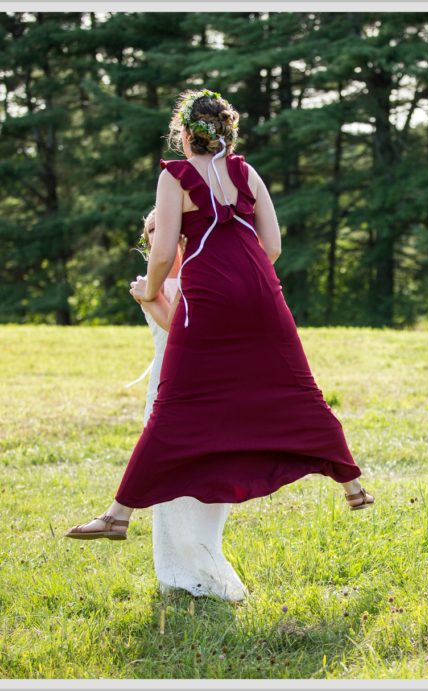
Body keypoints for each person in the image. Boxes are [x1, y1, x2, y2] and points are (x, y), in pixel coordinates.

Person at [65, 88, 373, 543]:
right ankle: (353, 487)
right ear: (226, 132)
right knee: (298, 390)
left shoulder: (176, 176)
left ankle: (117, 516)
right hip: (264, 295)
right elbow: (273, 247)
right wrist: (247, 279)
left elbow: (164, 249)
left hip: (207, 298)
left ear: (186, 135)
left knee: (173, 407)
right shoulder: (247, 173)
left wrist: (147, 292)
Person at [126, 209, 248, 601]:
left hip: (211, 383)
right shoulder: (152, 278)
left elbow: (185, 323)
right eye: (150, 229)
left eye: (164, 226)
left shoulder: (203, 267)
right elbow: (170, 328)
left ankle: (207, 556)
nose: (156, 234)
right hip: (167, 383)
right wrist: (148, 294)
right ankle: (178, 574)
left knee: (211, 474)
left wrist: (149, 297)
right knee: (169, 480)